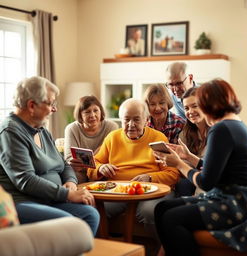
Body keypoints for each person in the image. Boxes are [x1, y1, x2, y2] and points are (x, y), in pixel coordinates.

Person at [153, 79, 247, 256]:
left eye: (199, 105)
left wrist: (179, 164)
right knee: (162, 208)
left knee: (171, 218)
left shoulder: (221, 128)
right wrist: (188, 157)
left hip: (237, 202)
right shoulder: (236, 125)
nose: (196, 111)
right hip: (240, 197)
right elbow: (217, 170)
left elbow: (206, 182)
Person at [0, 76, 99, 236]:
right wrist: (67, 194)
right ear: (32, 105)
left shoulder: (41, 130)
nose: (54, 109)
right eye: (50, 103)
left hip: (50, 199)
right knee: (68, 223)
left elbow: (64, 164)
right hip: (23, 203)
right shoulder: (10, 132)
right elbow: (25, 180)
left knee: (90, 215)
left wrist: (70, 182)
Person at [87, 98, 180, 237]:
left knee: (149, 212)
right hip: (118, 191)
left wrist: (150, 177)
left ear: (146, 119)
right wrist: (100, 168)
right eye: (126, 120)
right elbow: (92, 166)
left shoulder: (158, 139)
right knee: (92, 209)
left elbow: (173, 173)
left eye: (136, 119)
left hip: (150, 192)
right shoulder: (112, 138)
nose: (131, 125)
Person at [64, 95, 118, 183]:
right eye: (87, 112)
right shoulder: (71, 128)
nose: (92, 115)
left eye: (96, 110)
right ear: (80, 115)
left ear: (101, 112)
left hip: (102, 169)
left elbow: (111, 155)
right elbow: (69, 158)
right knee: (71, 176)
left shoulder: (111, 127)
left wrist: (94, 163)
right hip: (80, 171)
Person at [175, 87, 209, 196]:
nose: (190, 112)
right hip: (191, 176)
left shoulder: (218, 131)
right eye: (186, 108)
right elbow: (183, 163)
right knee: (183, 183)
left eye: (195, 106)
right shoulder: (185, 134)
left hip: (210, 179)